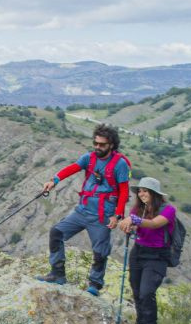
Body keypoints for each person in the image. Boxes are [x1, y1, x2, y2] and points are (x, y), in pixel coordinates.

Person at [38, 124, 130, 295]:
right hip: (82, 210)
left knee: (100, 251)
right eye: (95, 143)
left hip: (102, 215)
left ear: (111, 145)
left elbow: (124, 191)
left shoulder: (120, 165)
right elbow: (72, 168)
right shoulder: (89, 158)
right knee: (56, 233)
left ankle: (95, 285)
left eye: (102, 144)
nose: (97, 147)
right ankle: (57, 275)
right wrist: (54, 180)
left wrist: (117, 215)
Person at [118, 176, 176, 324]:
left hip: (157, 256)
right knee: (136, 291)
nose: (142, 194)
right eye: (140, 191)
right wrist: (128, 227)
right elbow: (138, 226)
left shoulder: (168, 210)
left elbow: (155, 224)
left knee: (147, 292)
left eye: (145, 191)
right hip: (138, 252)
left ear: (154, 193)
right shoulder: (137, 209)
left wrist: (134, 220)